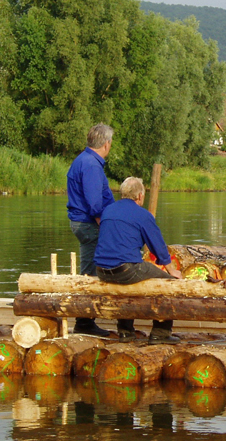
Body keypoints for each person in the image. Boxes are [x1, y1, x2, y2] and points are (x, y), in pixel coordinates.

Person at [94, 177, 184, 344]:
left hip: (101, 270)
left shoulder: (108, 210)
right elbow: (158, 245)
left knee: (126, 287)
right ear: (140, 196)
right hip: (126, 268)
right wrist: (172, 271)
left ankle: (125, 332)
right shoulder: (143, 215)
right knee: (168, 284)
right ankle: (160, 333)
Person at [66, 123, 115, 337]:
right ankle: (84, 321)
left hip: (83, 222)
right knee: (90, 272)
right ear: (106, 144)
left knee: (93, 267)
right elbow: (95, 205)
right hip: (89, 223)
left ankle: (89, 317)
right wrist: (107, 226)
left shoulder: (83, 160)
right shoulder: (91, 165)